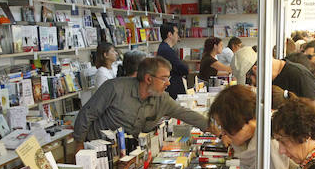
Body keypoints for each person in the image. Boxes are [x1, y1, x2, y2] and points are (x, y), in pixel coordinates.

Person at [73, 57, 213, 144]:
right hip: (96, 148)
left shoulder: (162, 98)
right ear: (148, 78)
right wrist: (79, 146)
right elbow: (86, 114)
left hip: (125, 152)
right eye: (164, 78)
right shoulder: (114, 88)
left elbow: (185, 113)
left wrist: (218, 130)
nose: (168, 83)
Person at [208, 84, 291, 169]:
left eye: (226, 127)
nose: (223, 132)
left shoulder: (268, 147)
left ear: (243, 122)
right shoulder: (248, 140)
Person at [156, 23, 190, 98]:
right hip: (172, 87)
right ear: (170, 34)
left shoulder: (166, 48)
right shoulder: (166, 50)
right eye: (176, 33)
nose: (178, 36)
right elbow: (183, 69)